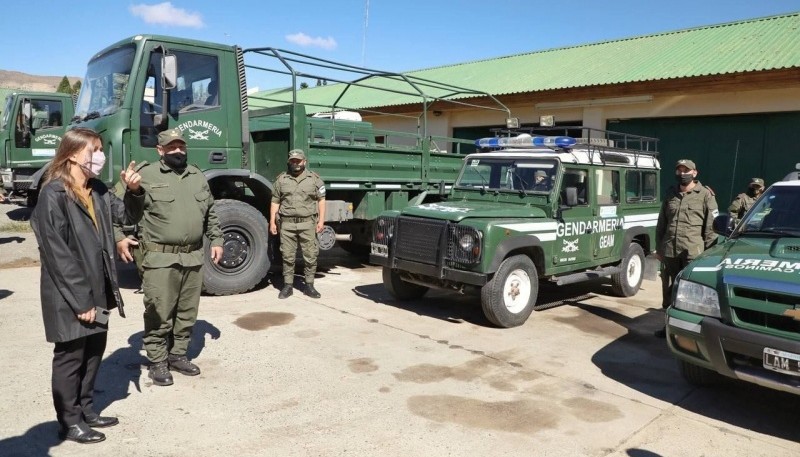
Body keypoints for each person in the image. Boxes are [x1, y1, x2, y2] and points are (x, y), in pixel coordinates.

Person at [30, 128, 143, 444]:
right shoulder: (53, 195)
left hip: (99, 288)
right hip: (70, 295)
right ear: (71, 155)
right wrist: (82, 301)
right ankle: (69, 421)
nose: (100, 156)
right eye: (93, 150)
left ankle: (87, 410)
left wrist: (134, 191)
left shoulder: (99, 190)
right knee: (71, 357)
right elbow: (58, 256)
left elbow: (127, 216)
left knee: (94, 351)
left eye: (100, 149)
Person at [115, 128, 223, 386]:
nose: (177, 151)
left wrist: (217, 239)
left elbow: (211, 212)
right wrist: (119, 237)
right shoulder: (144, 175)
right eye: (171, 147)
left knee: (187, 312)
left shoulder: (197, 176)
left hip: (193, 257)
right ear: (160, 150)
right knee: (159, 311)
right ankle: (157, 361)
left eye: (181, 146)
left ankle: (177, 355)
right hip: (159, 258)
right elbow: (117, 210)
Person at [654, 159, 719, 338]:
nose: (683, 174)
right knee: (668, 289)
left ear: (694, 173)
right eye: (679, 170)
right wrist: (659, 248)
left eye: (686, 171)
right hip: (670, 251)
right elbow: (662, 223)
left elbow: (711, 228)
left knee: (693, 292)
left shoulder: (705, 195)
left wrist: (708, 254)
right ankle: (668, 327)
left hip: (693, 253)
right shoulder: (670, 194)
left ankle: (690, 331)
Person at [270, 149, 326, 299]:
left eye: (298, 161)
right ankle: (288, 286)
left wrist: (321, 220)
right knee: (287, 256)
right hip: (287, 225)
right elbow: (275, 201)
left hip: (308, 223)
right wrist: (272, 223)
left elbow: (321, 200)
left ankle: (309, 285)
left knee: (310, 256)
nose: (295, 163)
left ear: (304, 162)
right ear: (289, 162)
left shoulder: (314, 179)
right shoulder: (281, 180)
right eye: (293, 161)